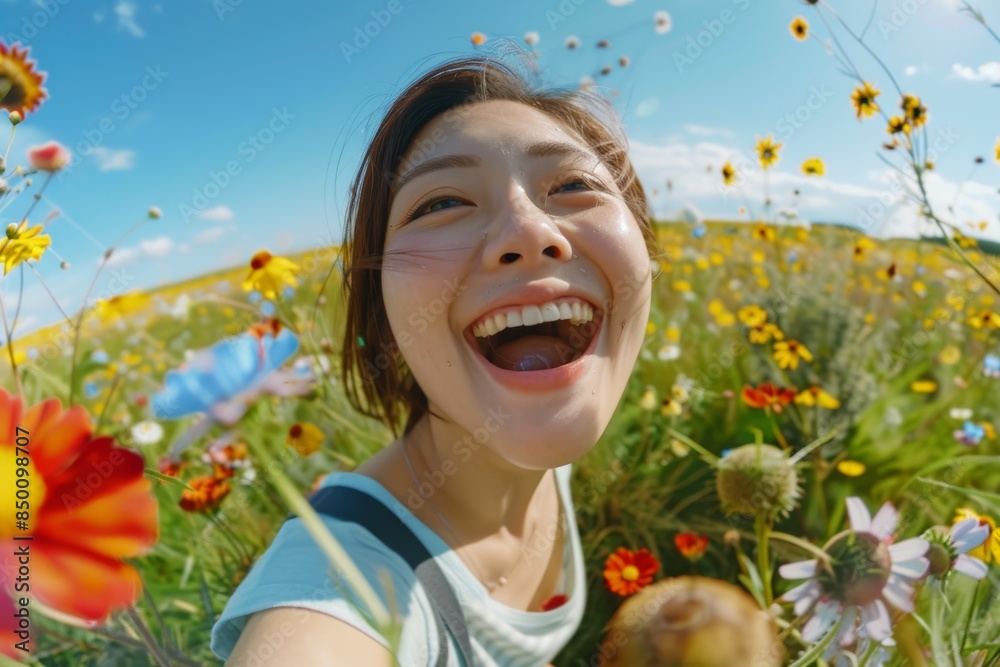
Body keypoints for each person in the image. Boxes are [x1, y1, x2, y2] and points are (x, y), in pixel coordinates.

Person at [212, 48, 659, 666]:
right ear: (383, 314)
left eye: (574, 185)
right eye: (442, 203)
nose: (529, 234)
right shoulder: (340, 586)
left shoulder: (537, 433)